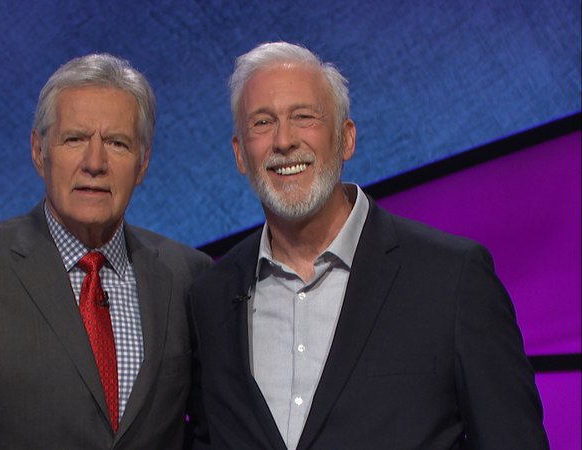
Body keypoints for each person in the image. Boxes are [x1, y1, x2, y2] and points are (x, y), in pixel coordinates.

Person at [185, 42, 548, 449]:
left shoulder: (452, 278)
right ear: (239, 154)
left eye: (303, 117)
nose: (283, 141)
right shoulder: (210, 297)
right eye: (262, 123)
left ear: (345, 139)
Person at [0, 53, 212, 449]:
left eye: (116, 143)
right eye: (75, 139)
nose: (94, 163)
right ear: (38, 152)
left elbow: (215, 425)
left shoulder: (189, 276)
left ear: (142, 163)